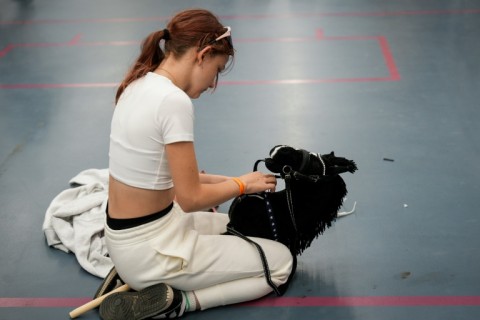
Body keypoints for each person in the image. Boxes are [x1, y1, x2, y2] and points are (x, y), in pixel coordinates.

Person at [99, 8, 294, 320]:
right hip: (152, 250)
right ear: (202, 55)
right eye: (216, 70)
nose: (213, 83)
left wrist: (237, 180)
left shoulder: (137, 85)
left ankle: (136, 276)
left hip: (132, 240)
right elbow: (190, 199)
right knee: (282, 262)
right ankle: (181, 302)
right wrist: (242, 185)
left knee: (232, 226)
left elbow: (180, 180)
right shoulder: (173, 101)